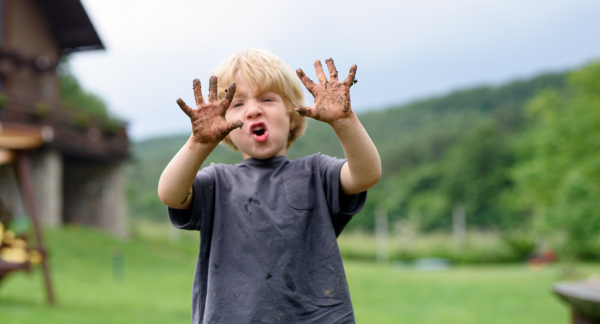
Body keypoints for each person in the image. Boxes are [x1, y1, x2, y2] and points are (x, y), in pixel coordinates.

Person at [158, 49, 381, 323]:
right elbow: (170, 194)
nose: (253, 110)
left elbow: (365, 175)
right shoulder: (216, 182)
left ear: (292, 115)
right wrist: (199, 143)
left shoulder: (317, 172)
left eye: (267, 99)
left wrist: (345, 121)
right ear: (223, 124)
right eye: (236, 104)